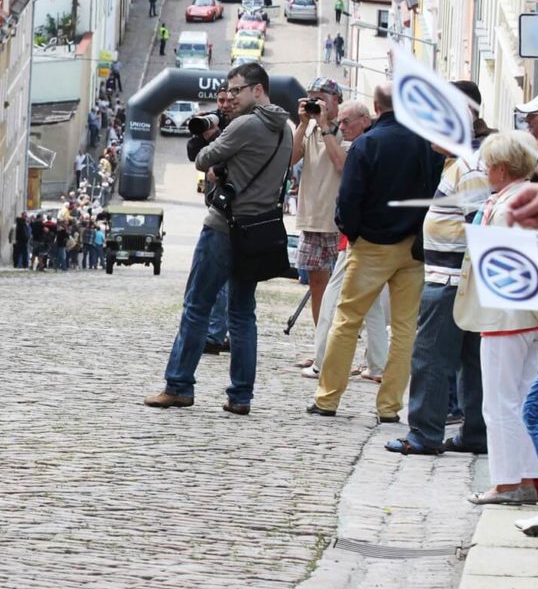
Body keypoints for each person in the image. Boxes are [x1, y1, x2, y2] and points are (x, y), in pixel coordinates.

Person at [146, 62, 292, 414]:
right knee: (243, 314)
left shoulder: (245, 124)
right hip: (256, 232)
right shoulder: (286, 129)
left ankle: (179, 385)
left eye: (237, 90)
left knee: (197, 307)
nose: (231, 97)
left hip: (223, 227)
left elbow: (203, 159)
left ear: (257, 90)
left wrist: (217, 148)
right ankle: (241, 396)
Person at [310, 84, 444, 420]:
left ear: (375, 107)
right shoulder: (427, 145)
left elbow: (350, 197)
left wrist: (352, 232)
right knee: (403, 328)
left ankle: (328, 399)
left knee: (347, 319)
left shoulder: (367, 143)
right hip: (413, 247)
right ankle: (389, 407)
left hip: (371, 244)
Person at [388, 82, 493, 456]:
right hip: (459, 280)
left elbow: (479, 225)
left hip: (453, 281)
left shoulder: (470, 167)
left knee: (431, 357)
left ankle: (424, 433)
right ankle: (474, 433)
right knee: (469, 360)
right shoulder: (465, 163)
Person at [464, 132, 538, 506]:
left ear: (501, 168)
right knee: (524, 398)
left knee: (500, 401)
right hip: (530, 311)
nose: (485, 171)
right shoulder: (530, 195)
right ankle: (533, 477)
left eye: (488, 165)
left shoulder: (505, 205)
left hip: (507, 311)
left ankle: (506, 481)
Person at [299, 101, 390, 380]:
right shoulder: (376, 143)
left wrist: (325, 127)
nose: (343, 127)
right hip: (372, 235)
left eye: (347, 122)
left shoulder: (365, 146)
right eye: (341, 122)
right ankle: (377, 365)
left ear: (365, 119)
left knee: (331, 302)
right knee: (372, 307)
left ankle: (322, 362)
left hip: (356, 238)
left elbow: (343, 171)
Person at [291, 78, 348, 326]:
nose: (316, 103)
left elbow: (341, 164)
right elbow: (289, 159)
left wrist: (325, 125)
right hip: (312, 217)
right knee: (317, 286)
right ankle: (320, 347)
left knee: (343, 288)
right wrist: (302, 125)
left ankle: (339, 347)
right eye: (312, 98)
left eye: (321, 98)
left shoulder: (347, 127)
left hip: (338, 221)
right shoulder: (310, 129)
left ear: (335, 99)